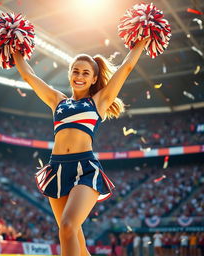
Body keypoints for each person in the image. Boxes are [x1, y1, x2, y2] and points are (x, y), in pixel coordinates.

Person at [13, 37, 148, 256]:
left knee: (68, 226)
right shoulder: (58, 101)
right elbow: (29, 76)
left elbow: (127, 67)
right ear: (69, 74)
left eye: (86, 73)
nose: (79, 76)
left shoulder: (99, 101)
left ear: (94, 78)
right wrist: (14, 48)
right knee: (74, 238)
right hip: (56, 169)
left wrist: (141, 41)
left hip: (85, 168)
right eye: (75, 71)